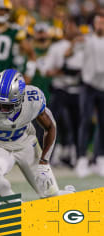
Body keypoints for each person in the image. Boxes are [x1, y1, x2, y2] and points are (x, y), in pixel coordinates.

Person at [0, 69, 76, 200]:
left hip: (27, 145)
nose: (1, 109)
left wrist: (44, 162)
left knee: (50, 196)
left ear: (21, 98)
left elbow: (50, 126)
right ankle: (16, 205)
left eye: (6, 105)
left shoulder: (33, 98)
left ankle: (69, 194)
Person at [42, 18, 83, 170]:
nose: (71, 29)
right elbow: (47, 70)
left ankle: (78, 156)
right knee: (51, 123)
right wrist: (61, 70)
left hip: (77, 89)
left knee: (77, 124)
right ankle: (47, 157)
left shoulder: (83, 45)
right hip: (60, 88)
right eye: (69, 26)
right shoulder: (56, 47)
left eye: (73, 26)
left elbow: (78, 69)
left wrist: (63, 69)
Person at [76, 11, 104, 177]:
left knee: (103, 123)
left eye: (102, 22)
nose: (100, 25)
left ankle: (100, 159)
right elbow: (70, 50)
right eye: (98, 22)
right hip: (88, 86)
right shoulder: (86, 40)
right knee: (85, 121)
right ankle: (81, 159)